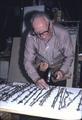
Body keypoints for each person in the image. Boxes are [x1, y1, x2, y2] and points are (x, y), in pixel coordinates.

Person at [24, 11, 74, 90]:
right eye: (38, 33)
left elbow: (69, 56)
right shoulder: (31, 36)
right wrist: (36, 78)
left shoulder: (63, 34)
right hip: (42, 66)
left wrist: (62, 71)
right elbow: (28, 61)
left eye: (45, 32)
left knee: (58, 92)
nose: (42, 36)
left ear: (50, 25)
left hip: (59, 66)